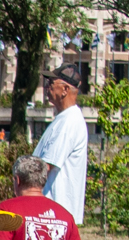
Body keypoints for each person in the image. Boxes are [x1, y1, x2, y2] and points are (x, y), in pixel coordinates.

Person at [31, 64, 89, 224]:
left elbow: (45, 167)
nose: (47, 87)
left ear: (65, 90)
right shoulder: (63, 119)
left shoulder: (69, 121)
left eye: (51, 83)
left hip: (54, 216)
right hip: (50, 214)